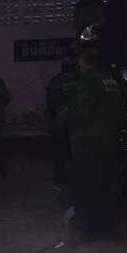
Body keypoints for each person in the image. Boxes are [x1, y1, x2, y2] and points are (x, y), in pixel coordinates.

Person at [66, 17, 127, 237]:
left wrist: (66, 116)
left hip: (90, 145)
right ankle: (108, 229)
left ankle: (92, 230)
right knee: (109, 186)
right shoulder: (115, 80)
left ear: (86, 62)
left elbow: (80, 113)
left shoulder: (89, 82)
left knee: (90, 189)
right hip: (111, 143)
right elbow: (122, 110)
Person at [45, 58, 79, 189]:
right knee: (66, 155)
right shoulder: (77, 80)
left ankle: (61, 181)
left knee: (61, 155)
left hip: (62, 125)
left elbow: (51, 105)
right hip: (66, 125)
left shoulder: (56, 81)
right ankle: (65, 181)